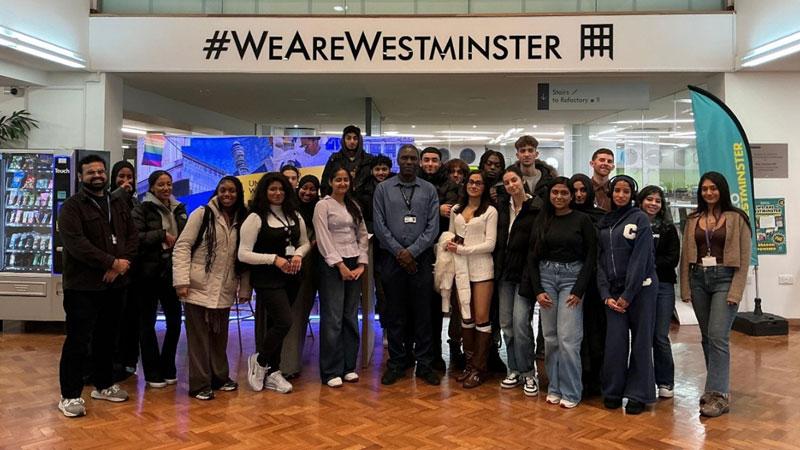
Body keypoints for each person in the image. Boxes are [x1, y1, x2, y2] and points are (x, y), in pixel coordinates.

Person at [57, 155, 138, 417]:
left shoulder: (118, 202)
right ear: (80, 177)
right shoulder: (71, 207)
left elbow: (131, 236)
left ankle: (103, 385)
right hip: (83, 286)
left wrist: (121, 264)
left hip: (115, 285)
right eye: (90, 172)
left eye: (100, 171)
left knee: (107, 339)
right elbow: (76, 244)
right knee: (78, 341)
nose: (97, 175)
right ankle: (69, 395)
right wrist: (111, 262)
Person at [679, 172, 752, 418]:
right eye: (705, 189)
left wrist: (736, 291)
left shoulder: (737, 218)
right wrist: (686, 288)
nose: (709, 193)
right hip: (699, 279)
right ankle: (715, 390)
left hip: (725, 279)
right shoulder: (693, 219)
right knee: (707, 338)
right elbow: (684, 256)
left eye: (713, 188)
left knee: (719, 336)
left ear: (722, 189)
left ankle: (719, 394)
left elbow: (744, 259)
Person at [172, 176, 251, 400]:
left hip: (224, 288)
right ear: (217, 191)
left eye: (232, 191)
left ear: (238, 193)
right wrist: (181, 282)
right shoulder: (202, 214)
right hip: (196, 286)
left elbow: (242, 257)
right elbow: (182, 247)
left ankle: (219, 377)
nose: (227, 195)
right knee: (198, 338)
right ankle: (199, 384)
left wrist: (245, 288)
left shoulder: (243, 219)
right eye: (223, 190)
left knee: (219, 336)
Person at [373, 144, 441, 386]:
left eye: (414, 158)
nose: (409, 161)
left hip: (421, 260)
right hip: (391, 259)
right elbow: (379, 225)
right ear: (398, 161)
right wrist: (400, 252)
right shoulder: (383, 189)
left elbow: (433, 227)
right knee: (394, 314)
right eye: (405, 158)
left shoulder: (429, 190)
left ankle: (424, 364)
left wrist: (411, 252)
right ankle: (397, 362)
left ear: (419, 161)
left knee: (423, 314)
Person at [528, 177, 597, 408]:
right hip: (546, 277)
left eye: (564, 193)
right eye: (555, 192)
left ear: (572, 196)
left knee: (568, 339)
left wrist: (579, 289)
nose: (559, 197)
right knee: (550, 338)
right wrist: (537, 290)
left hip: (572, 279)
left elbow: (591, 257)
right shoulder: (543, 219)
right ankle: (554, 387)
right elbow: (532, 257)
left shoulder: (582, 220)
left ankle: (571, 391)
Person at [239, 172, 311, 394]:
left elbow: (305, 242)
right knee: (284, 321)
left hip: (292, 277)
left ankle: (274, 371)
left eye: (281, 189)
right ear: (264, 191)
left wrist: (298, 254)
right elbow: (243, 254)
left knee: (275, 325)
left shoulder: (294, 214)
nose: (277, 193)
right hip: (268, 279)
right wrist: (274, 259)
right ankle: (260, 360)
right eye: (272, 189)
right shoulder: (255, 218)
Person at [596, 175, 657, 415]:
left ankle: (638, 394)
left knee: (642, 342)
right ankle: (612, 391)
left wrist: (628, 294)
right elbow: (599, 261)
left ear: (633, 195)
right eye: (617, 191)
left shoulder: (640, 218)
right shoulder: (604, 222)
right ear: (611, 194)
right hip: (612, 294)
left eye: (626, 191)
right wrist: (605, 294)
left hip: (641, 291)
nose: (621, 195)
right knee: (615, 344)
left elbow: (641, 259)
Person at [314, 167, 370, 387]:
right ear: (330, 182)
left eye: (346, 180)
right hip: (332, 265)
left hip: (354, 262)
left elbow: (362, 235)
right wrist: (339, 265)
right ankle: (330, 371)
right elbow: (323, 237)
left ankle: (348, 367)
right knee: (333, 318)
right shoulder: (323, 205)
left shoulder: (354, 205)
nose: (342, 183)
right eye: (338, 180)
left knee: (349, 316)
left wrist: (361, 264)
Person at [132, 170, 188, 388]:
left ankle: (168, 365)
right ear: (152, 187)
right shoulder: (142, 208)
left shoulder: (179, 208)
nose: (166, 188)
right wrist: (162, 234)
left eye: (169, 184)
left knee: (175, 322)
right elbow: (136, 237)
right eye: (161, 185)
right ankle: (152, 370)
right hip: (147, 274)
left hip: (173, 272)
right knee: (147, 324)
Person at [447, 170, 498, 388]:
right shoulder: (456, 210)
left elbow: (490, 244)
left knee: (481, 317)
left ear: (484, 187)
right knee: (465, 317)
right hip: (460, 270)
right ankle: (469, 365)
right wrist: (450, 246)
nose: (474, 186)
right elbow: (451, 236)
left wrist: (463, 250)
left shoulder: (491, 211)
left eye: (478, 183)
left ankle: (480, 368)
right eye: (471, 182)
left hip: (482, 268)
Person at [495, 167, 540, 396]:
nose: (511, 185)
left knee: (521, 324)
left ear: (522, 181)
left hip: (525, 275)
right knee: (507, 325)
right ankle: (513, 368)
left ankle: (528, 373)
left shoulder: (537, 208)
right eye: (506, 182)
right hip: (505, 275)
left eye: (514, 180)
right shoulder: (502, 207)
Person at [636, 185, 680, 400]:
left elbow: (672, 259)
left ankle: (665, 381)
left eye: (658, 200)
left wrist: (645, 264)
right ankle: (641, 381)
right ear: (641, 200)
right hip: (637, 287)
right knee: (641, 336)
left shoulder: (668, 229)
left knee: (659, 336)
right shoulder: (632, 223)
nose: (653, 204)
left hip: (663, 286)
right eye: (649, 199)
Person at [419, 146, 460, 371]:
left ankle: (435, 355)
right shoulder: (412, 182)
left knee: (437, 306)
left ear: (440, 162)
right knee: (418, 307)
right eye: (426, 160)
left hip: (442, 251)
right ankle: (418, 354)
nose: (430, 164)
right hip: (417, 249)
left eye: (435, 160)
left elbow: (451, 211)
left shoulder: (451, 185)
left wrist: (433, 209)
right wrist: (436, 208)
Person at [569, 173, 607, 396]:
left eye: (583, 190)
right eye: (575, 190)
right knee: (574, 332)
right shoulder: (563, 215)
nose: (579, 194)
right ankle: (577, 379)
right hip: (569, 281)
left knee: (597, 331)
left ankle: (597, 379)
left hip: (596, 282)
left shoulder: (602, 216)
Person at [280, 174, 321, 379]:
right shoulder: (288, 211)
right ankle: (280, 364)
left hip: (310, 271)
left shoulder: (320, 211)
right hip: (286, 268)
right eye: (304, 188)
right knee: (285, 317)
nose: (308, 192)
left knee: (298, 316)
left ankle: (290, 365)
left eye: (312, 189)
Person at [355, 156, 393, 345]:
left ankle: (389, 329)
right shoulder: (362, 191)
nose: (381, 173)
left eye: (384, 169)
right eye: (377, 169)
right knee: (376, 292)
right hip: (371, 248)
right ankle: (376, 330)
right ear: (371, 171)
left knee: (389, 292)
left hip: (392, 248)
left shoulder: (396, 187)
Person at [109, 160, 140, 380]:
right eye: (121, 176)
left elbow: (135, 235)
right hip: (113, 270)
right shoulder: (108, 202)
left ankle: (128, 362)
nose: (126, 182)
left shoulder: (137, 203)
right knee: (114, 320)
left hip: (133, 271)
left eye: (130, 177)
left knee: (131, 319)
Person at [321, 125, 374, 196]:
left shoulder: (369, 160)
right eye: (348, 138)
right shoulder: (335, 159)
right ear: (343, 140)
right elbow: (325, 182)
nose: (352, 141)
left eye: (355, 138)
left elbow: (373, 182)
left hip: (364, 201)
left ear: (359, 141)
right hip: (339, 200)